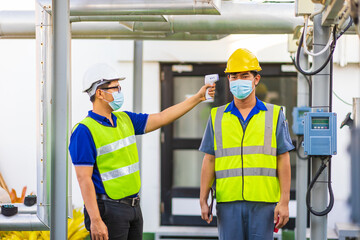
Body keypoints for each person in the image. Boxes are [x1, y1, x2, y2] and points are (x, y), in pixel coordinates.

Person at [69, 63, 215, 240]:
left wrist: (198, 98)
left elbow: (162, 117)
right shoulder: (84, 131)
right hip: (108, 211)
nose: (119, 92)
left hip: (133, 208)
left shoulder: (125, 119)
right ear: (99, 93)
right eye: (115, 88)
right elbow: (84, 179)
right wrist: (96, 220)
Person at [199, 48, 294, 240]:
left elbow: (283, 159)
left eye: (244, 75)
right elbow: (209, 160)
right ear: (228, 80)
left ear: (256, 79)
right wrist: (203, 198)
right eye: (233, 76)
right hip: (228, 203)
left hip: (264, 203)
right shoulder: (217, 116)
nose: (238, 80)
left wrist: (284, 202)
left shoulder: (274, 115)